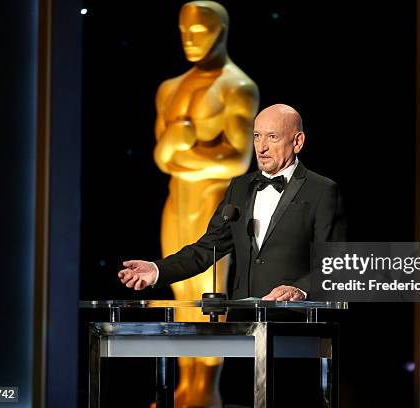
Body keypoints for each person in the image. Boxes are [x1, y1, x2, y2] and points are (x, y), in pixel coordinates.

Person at [146, 1, 258, 406]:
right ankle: (186, 379)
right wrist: (184, 147)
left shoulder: (237, 87)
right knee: (177, 286)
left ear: (221, 31)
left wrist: (180, 148)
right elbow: (161, 157)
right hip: (179, 198)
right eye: (185, 32)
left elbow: (238, 160)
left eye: (201, 32)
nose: (191, 41)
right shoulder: (170, 89)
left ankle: (207, 383)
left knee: (210, 289)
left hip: (215, 199)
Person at [119, 103, 347, 300]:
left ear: (297, 142)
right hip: (242, 324)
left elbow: (336, 264)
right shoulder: (239, 188)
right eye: (257, 136)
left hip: (294, 323)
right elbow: (208, 248)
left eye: (272, 137)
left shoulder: (321, 191)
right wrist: (157, 270)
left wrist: (300, 289)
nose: (261, 147)